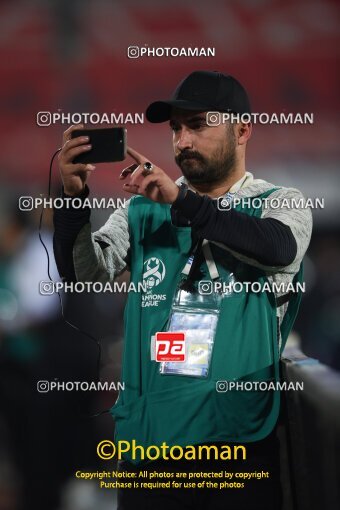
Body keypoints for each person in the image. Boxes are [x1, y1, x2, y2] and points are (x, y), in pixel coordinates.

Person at [53, 70, 312, 510]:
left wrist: (182, 202)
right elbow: (82, 275)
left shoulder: (280, 201)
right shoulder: (140, 209)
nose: (182, 141)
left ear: (242, 129)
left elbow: (277, 248)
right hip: (148, 448)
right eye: (176, 128)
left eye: (197, 126)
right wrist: (74, 199)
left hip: (233, 447)